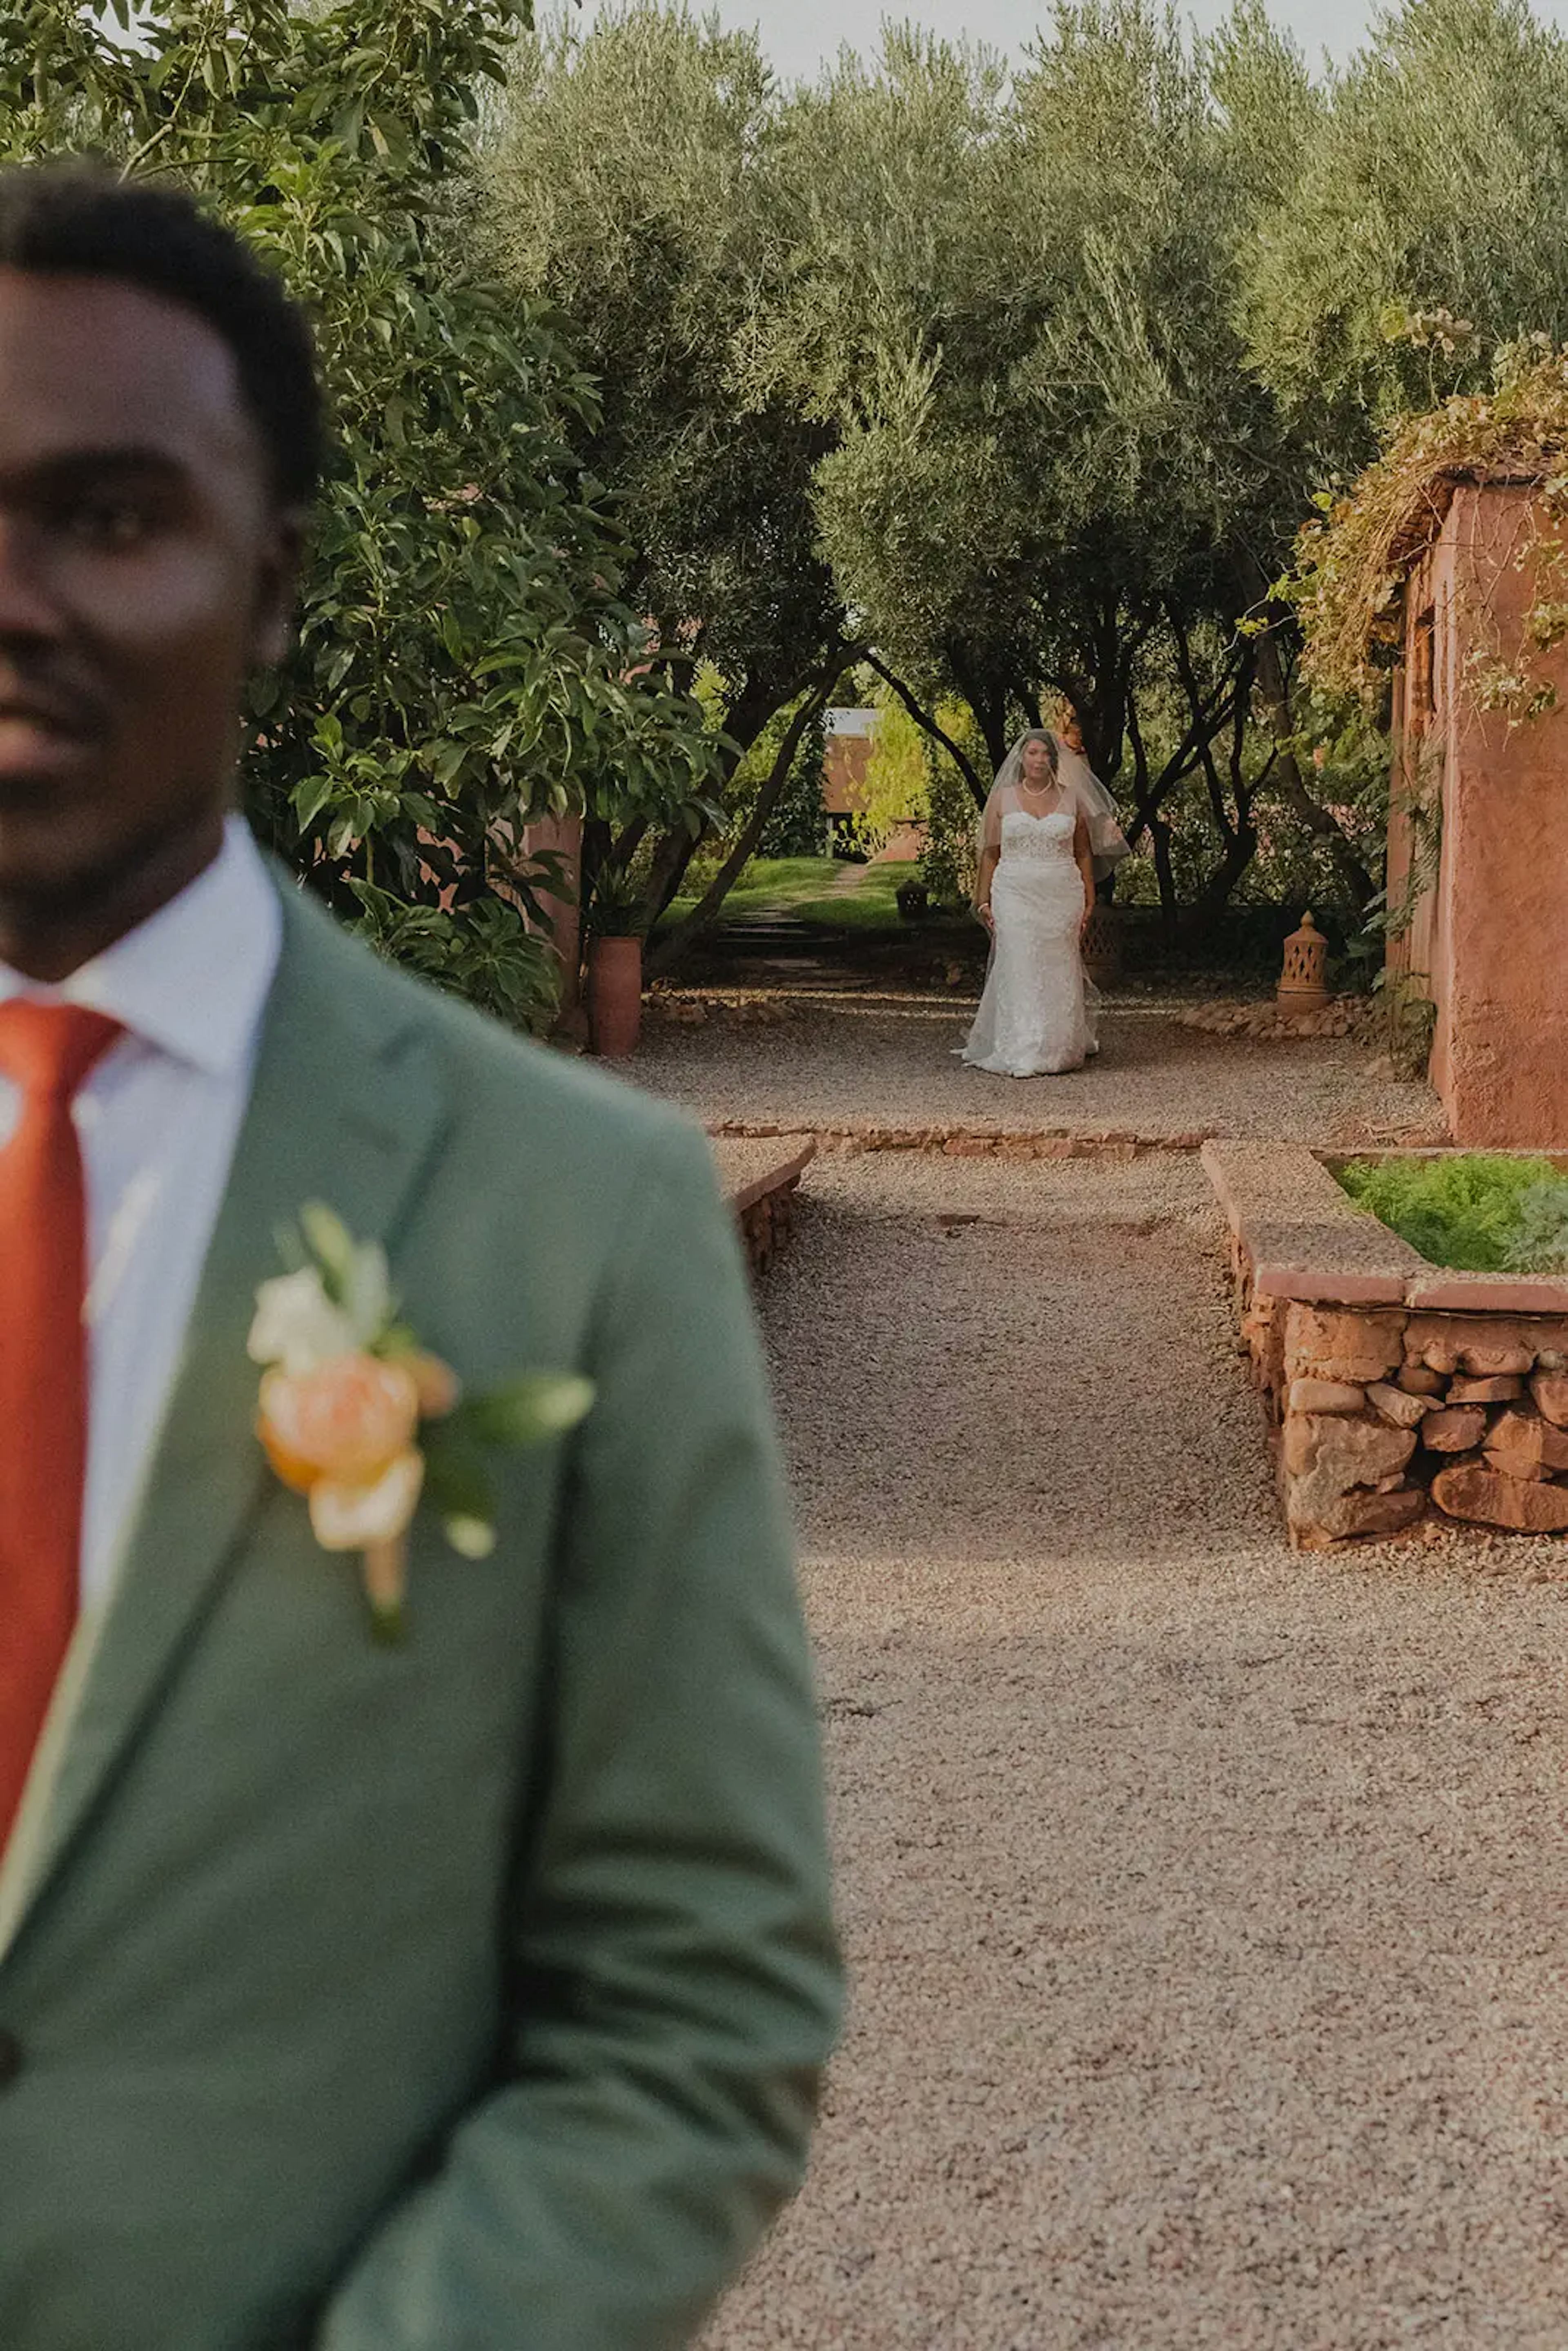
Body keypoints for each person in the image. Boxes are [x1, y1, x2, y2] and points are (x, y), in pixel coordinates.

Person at [0, 162, 839, 2351]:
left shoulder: (574, 1210)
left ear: (268, 584)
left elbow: (693, 2009)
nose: (18, 595)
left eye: (106, 515)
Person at [960, 726, 1129, 1078]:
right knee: (1021, 959)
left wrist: (1089, 899)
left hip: (1061, 891)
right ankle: (1021, 1045)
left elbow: (1083, 852)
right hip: (1014, 891)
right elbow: (990, 854)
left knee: (1056, 964)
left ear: (1055, 759)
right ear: (1022, 758)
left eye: (1045, 754)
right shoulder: (1003, 799)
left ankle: (1058, 1046)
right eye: (1032, 753)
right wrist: (983, 899)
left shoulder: (1072, 799)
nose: (1039, 760)